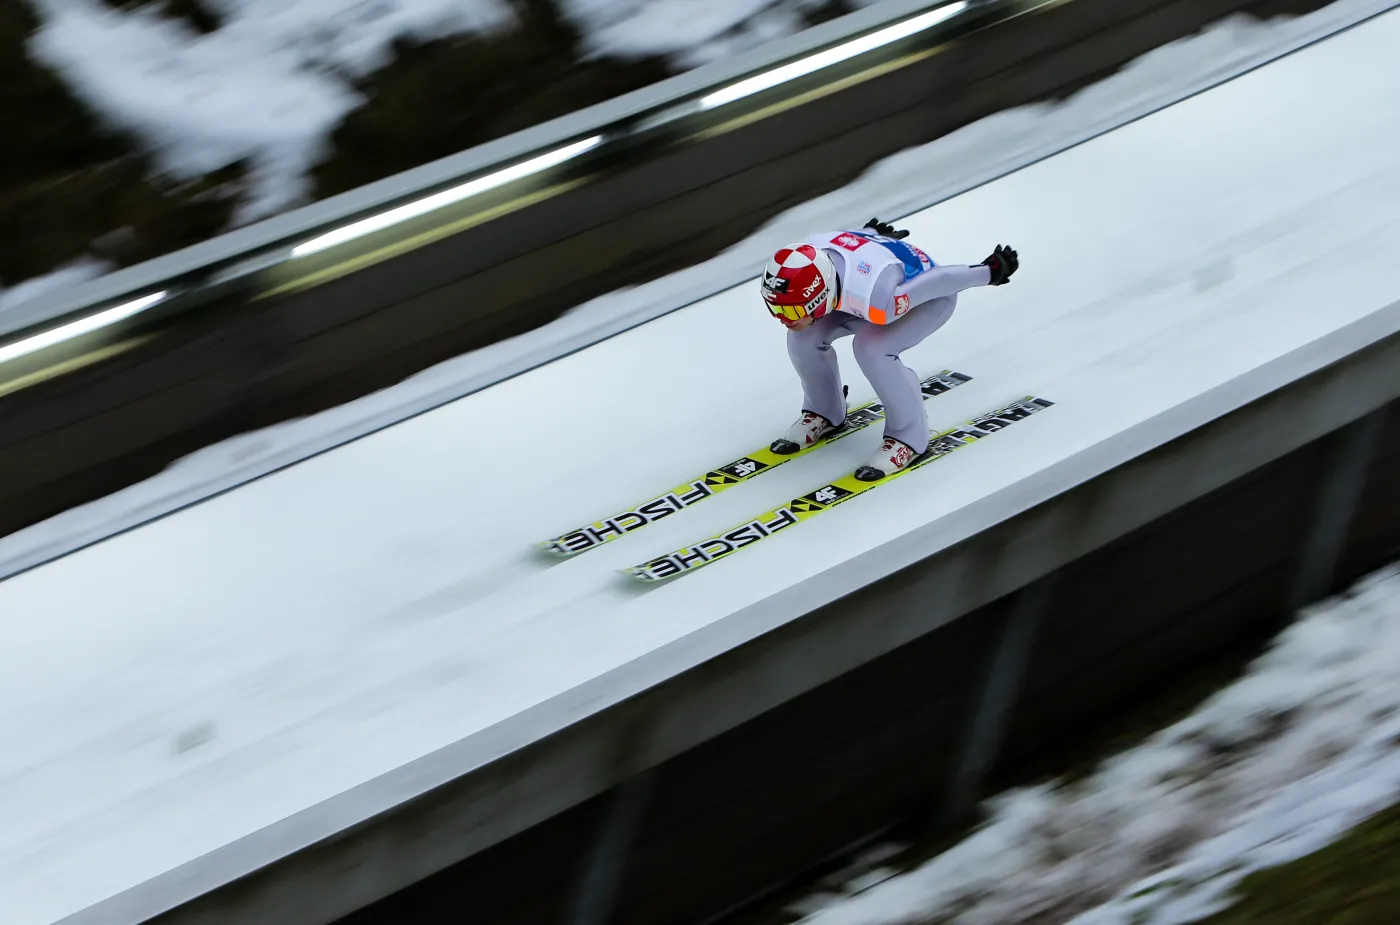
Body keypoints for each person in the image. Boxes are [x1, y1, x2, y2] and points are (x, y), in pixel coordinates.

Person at [761, 218, 1018, 481]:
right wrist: (872, 234)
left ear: (818, 296)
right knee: (802, 336)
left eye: (790, 309)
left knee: (872, 348)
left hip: (925, 297)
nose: (783, 317)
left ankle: (909, 436)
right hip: (855, 290)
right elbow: (844, 239)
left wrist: (987, 271)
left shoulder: (879, 297)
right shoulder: (810, 251)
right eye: (776, 307)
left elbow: (938, 280)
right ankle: (824, 409)